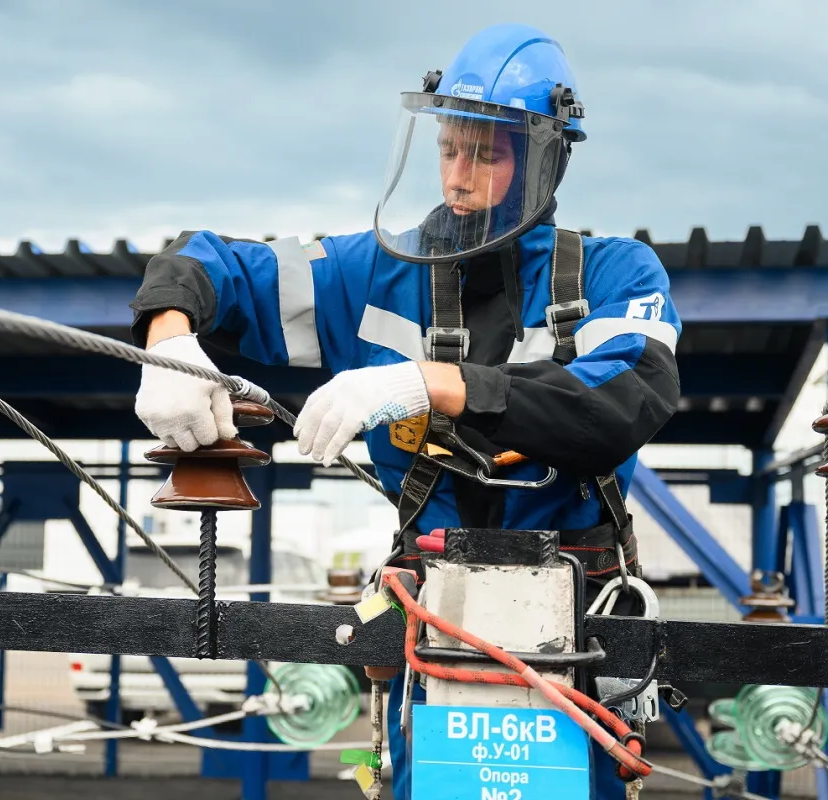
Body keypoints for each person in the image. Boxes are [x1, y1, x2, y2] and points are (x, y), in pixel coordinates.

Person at [130, 22, 681, 799]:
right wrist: (171, 337)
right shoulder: (372, 273)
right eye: (449, 147)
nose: (459, 174)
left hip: (576, 628)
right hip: (432, 617)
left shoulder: (614, 274)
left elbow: (627, 401)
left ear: (545, 158)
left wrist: (435, 385)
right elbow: (208, 260)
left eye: (486, 153)